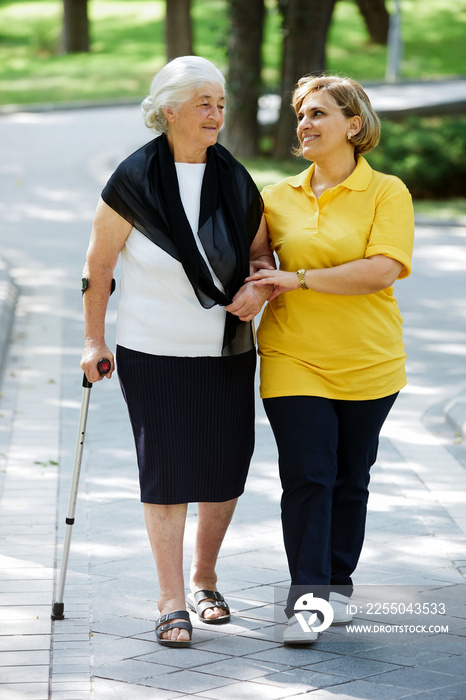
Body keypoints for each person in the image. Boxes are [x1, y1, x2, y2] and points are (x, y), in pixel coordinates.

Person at [80, 56, 273, 647]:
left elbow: (262, 255)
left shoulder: (236, 178)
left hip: (226, 351)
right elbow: (100, 265)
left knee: (224, 470)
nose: (216, 114)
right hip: (153, 350)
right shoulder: (133, 180)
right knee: (166, 474)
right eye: (203, 104)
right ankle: (169, 599)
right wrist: (93, 339)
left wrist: (257, 287)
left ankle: (205, 579)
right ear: (169, 111)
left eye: (220, 103)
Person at [247, 75, 415, 645]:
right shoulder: (274, 197)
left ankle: (337, 583)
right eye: (301, 114)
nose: (306, 124)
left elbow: (381, 271)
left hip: (371, 362)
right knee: (308, 477)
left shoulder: (387, 192)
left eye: (319, 113)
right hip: (294, 358)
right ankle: (308, 600)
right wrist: (255, 284)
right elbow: (255, 263)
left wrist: (297, 278)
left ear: (354, 125)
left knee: (350, 479)